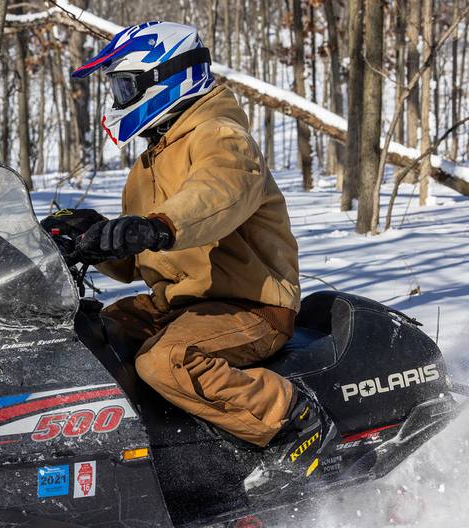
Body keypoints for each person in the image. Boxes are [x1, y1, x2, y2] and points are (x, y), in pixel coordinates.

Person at [43, 21, 334, 484]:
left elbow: (216, 196)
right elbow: (133, 257)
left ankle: (289, 419)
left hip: (251, 306)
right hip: (177, 307)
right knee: (81, 344)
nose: (116, 99)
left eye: (123, 85)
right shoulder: (152, 159)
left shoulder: (220, 136)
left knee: (165, 362)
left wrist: (157, 225)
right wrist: (87, 236)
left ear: (164, 79)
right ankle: (131, 464)